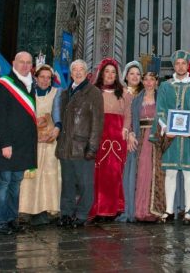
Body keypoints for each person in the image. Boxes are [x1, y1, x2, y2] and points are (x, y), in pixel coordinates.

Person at [0, 52, 38, 235]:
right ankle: (0, 220)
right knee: (3, 182)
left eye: (28, 63)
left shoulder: (32, 84)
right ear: (13, 63)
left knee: (16, 183)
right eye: (21, 62)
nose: (25, 66)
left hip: (25, 145)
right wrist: (5, 143)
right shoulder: (3, 84)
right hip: (8, 143)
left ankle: (12, 218)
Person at [156, 50, 190, 224]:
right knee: (170, 172)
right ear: (173, 65)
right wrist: (165, 127)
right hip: (171, 137)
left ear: (188, 65)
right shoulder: (165, 86)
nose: (180, 66)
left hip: (189, 137)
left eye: (183, 63)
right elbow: (160, 109)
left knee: (188, 173)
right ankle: (169, 211)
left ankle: (188, 211)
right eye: (177, 63)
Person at [56, 59, 104, 228]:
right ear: (71, 73)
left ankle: (82, 214)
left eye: (81, 69)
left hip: (82, 147)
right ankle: (66, 214)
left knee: (85, 184)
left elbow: (97, 122)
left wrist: (92, 147)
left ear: (86, 72)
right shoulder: (64, 93)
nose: (77, 72)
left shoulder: (94, 92)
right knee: (67, 184)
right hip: (66, 147)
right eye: (74, 69)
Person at [90, 58, 134, 219]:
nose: (110, 75)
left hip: (117, 137)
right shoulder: (93, 91)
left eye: (113, 72)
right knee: (97, 172)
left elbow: (128, 114)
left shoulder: (124, 93)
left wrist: (126, 129)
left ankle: (111, 209)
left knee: (114, 173)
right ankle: (96, 208)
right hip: (98, 135)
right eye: (107, 71)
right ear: (102, 73)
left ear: (117, 75)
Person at [18, 65, 62, 226]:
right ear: (35, 78)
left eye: (48, 77)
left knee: (49, 174)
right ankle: (25, 209)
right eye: (42, 77)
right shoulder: (28, 92)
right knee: (30, 175)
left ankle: (50, 208)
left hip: (49, 140)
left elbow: (58, 114)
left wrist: (56, 128)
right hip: (32, 139)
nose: (45, 80)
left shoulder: (56, 93)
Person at [126, 71, 164, 222]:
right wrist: (130, 133)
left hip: (157, 137)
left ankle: (156, 210)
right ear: (142, 82)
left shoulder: (162, 98)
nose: (149, 82)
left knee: (158, 173)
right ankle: (140, 210)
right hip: (141, 138)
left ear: (156, 82)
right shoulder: (136, 100)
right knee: (141, 172)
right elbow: (130, 119)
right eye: (146, 80)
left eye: (152, 79)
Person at [117, 60, 143, 222]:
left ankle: (138, 208)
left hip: (141, 138)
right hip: (122, 138)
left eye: (138, 74)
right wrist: (128, 134)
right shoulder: (120, 93)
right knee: (124, 174)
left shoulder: (145, 94)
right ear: (126, 76)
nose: (135, 76)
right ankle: (124, 208)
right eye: (131, 73)